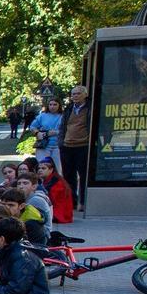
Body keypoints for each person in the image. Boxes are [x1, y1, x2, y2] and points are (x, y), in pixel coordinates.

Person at [58, 85, 92, 213]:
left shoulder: (89, 108)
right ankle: (71, 201)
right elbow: (63, 126)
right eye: (73, 94)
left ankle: (82, 202)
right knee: (68, 176)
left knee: (83, 176)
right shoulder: (69, 108)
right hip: (67, 146)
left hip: (82, 146)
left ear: (85, 95)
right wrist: (61, 142)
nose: (75, 96)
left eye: (78, 94)